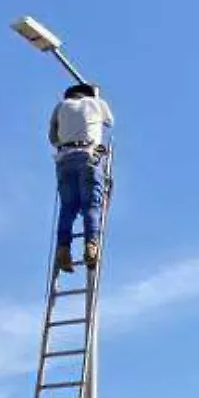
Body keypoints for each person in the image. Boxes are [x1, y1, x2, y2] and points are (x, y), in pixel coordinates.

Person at [49, 82, 114, 275]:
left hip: (64, 159)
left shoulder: (60, 106)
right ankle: (91, 246)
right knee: (91, 205)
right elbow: (109, 122)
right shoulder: (97, 103)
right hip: (88, 155)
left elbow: (53, 138)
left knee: (68, 207)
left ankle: (63, 249)